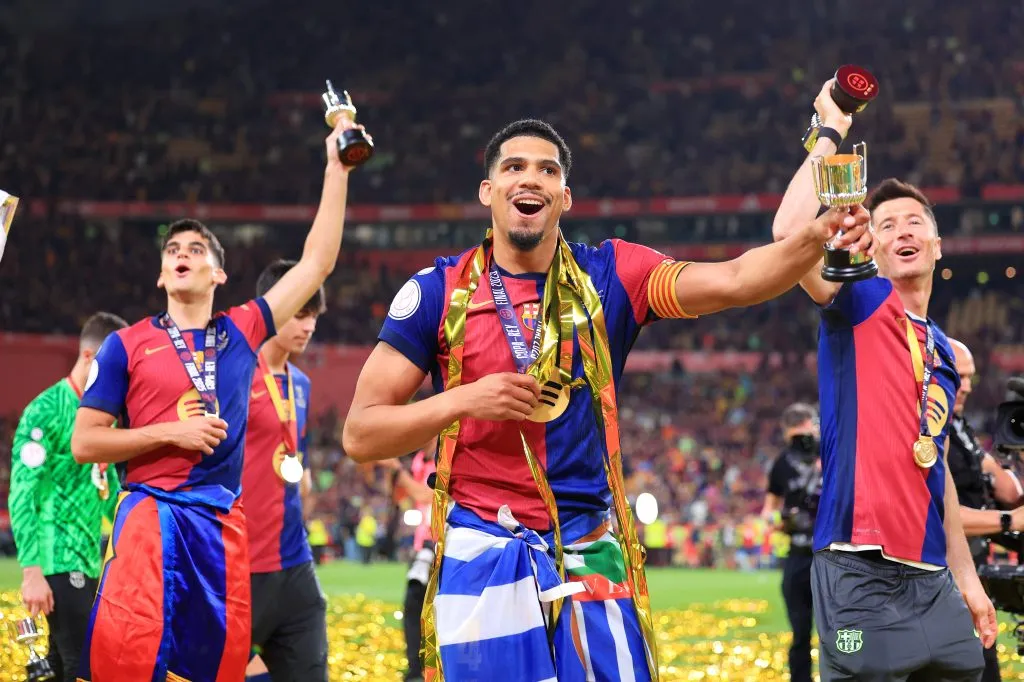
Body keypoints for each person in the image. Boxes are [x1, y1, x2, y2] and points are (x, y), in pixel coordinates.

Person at [342, 117, 871, 680]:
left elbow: (738, 279)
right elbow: (360, 434)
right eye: (513, 167)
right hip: (481, 545)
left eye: (548, 170)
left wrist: (817, 237)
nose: (531, 180)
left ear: (564, 197)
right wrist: (463, 399)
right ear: (487, 191)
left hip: (588, 543)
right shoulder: (436, 292)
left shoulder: (614, 273)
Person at [70, 114, 366, 682]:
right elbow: (86, 442)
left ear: (218, 273)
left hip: (220, 526)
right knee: (131, 662)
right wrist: (169, 434)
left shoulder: (241, 331)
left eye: (196, 249)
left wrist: (336, 168)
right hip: (150, 517)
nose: (182, 253)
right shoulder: (125, 345)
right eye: (172, 249)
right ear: (162, 275)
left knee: (218, 670)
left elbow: (316, 263)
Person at [772, 78, 996, 680]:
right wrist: (830, 131)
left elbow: (938, 468)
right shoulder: (860, 300)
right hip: (858, 569)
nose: (901, 230)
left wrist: (968, 581)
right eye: (887, 221)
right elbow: (787, 233)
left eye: (914, 222)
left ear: (937, 243)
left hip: (933, 579)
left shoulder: (946, 352)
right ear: (873, 239)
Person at [9, 312, 127, 682]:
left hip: (89, 562)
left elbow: (107, 492)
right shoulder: (46, 410)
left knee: (56, 669)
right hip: (56, 561)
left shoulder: (102, 421)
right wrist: (31, 571)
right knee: (84, 666)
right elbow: (22, 492)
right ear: (92, 358)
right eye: (118, 368)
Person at [242, 260, 328, 682]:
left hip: (294, 563)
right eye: (300, 313)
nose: (308, 325)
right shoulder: (232, 377)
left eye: (314, 315)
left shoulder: (302, 384)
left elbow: (298, 459)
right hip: (237, 566)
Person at [948, 338, 1024, 682]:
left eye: (969, 378)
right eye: (955, 376)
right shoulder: (928, 431)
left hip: (974, 571)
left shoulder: (960, 428)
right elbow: (938, 516)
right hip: (945, 577)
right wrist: (1008, 520)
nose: (964, 387)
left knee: (985, 667)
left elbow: (1009, 491)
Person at [760, 403, 822, 682]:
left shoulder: (831, 455)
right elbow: (768, 509)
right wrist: (781, 520)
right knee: (800, 632)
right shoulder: (782, 463)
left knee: (837, 630)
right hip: (798, 554)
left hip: (829, 554)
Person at [380, 440, 436, 682]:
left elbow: (426, 495)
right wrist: (391, 472)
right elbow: (399, 495)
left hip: (442, 542)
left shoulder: (443, 455)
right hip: (423, 544)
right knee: (417, 606)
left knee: (420, 605)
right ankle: (420, 667)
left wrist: (398, 471)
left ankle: (420, 669)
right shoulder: (419, 460)